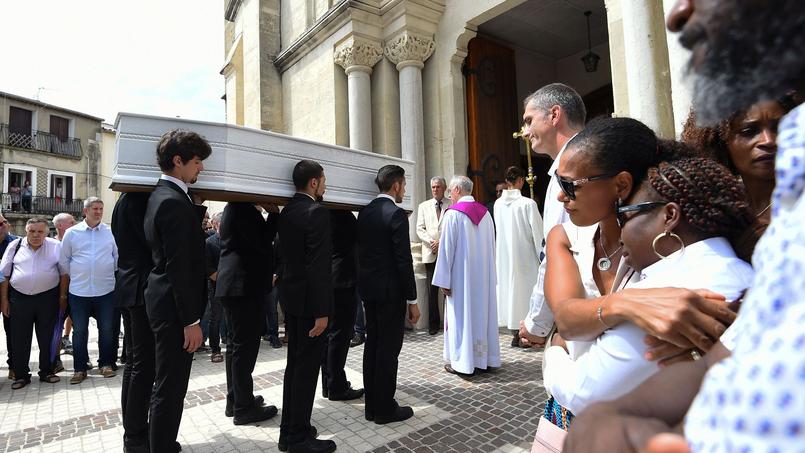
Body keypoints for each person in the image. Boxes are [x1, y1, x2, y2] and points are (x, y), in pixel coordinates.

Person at [563, 1, 805, 451]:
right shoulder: (712, 205)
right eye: (749, 129)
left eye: (780, 123)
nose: (768, 141)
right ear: (720, 136)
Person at [545, 153, 754, 429]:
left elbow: (582, 393)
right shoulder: (748, 272)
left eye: (626, 216)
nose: (621, 234)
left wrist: (556, 352)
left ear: (669, 216)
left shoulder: (666, 297)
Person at [143, 129, 211, 453]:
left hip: (164, 303)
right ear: (178, 161)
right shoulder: (172, 202)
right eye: (197, 162)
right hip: (174, 310)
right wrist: (191, 320)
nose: (201, 169)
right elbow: (179, 267)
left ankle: (164, 444)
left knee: (167, 385)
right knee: (170, 388)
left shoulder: (164, 196)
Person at [516, 83, 587, 348]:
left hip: (583, 307)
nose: (524, 132)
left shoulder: (568, 172)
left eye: (529, 120)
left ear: (554, 115)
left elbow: (556, 255)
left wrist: (537, 323)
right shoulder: (592, 157)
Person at [682, 98, 795, 259]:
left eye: (779, 128)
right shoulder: (716, 210)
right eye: (749, 131)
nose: (768, 141)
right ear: (721, 142)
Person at [277, 160, 335, 453]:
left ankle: (290, 430)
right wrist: (322, 312)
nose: (325, 186)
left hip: (292, 300)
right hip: (311, 306)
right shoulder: (316, 212)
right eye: (323, 180)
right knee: (306, 370)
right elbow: (318, 266)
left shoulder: (287, 211)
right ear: (313, 182)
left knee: (295, 368)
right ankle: (297, 437)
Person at [358, 165, 419, 425]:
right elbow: (403, 261)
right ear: (395, 186)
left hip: (369, 291)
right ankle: (384, 409)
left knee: (372, 345)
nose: (404, 190)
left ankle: (372, 405)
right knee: (388, 349)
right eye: (404, 185)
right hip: (391, 293)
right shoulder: (396, 215)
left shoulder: (364, 213)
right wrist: (413, 301)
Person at [216, 201, 279, 425]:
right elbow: (262, 241)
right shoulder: (242, 208)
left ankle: (236, 399)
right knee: (244, 349)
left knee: (235, 347)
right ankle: (243, 407)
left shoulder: (235, 207)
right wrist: (274, 214)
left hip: (235, 287)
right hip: (243, 288)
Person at [432, 176, 500, 376]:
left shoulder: (453, 214)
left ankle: (463, 362)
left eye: (451, 191)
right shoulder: (486, 214)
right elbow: (491, 247)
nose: (449, 196)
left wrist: (444, 280)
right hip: (483, 279)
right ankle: (484, 359)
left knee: (462, 319)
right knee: (482, 317)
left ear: (457, 190)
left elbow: (446, 250)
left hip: (461, 281)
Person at [0, 218, 68, 389]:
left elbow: (64, 274)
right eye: (32, 231)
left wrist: (62, 297)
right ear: (26, 231)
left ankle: (47, 371)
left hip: (47, 298)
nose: (36, 235)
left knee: (47, 337)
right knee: (19, 338)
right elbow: (4, 275)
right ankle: (21, 375)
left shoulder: (55, 246)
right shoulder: (15, 246)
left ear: (46, 232)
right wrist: (4, 300)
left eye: (40, 232)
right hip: (19, 298)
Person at [111, 191, 154, 453]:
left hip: (128, 284)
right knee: (143, 366)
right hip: (140, 286)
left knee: (135, 364)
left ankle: (134, 431)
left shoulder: (124, 199)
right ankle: (136, 436)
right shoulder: (139, 199)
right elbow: (152, 242)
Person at [60, 198, 119, 383]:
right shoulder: (72, 233)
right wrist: (80, 273)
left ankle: (106, 364)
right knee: (80, 332)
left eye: (101, 208)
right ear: (85, 211)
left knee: (108, 329)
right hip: (79, 291)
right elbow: (64, 261)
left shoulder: (110, 232)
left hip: (106, 290)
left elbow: (116, 258)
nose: (99, 212)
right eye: (95, 208)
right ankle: (79, 368)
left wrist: (103, 271)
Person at [494, 166, 543, 348]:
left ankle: (515, 333)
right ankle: (525, 335)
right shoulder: (528, 204)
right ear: (521, 180)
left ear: (507, 182)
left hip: (505, 257)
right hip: (525, 258)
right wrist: (543, 256)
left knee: (511, 293)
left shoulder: (498, 204)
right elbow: (538, 234)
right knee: (526, 295)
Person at [321, 209, 364, 402]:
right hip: (343, 280)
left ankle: (328, 384)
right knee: (340, 335)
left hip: (330, 278)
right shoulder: (341, 214)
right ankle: (337, 386)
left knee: (330, 336)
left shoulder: (322, 214)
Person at [415, 176, 450, 335]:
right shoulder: (424, 206)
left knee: (448, 289)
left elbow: (452, 227)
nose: (435, 189)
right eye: (433, 187)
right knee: (432, 290)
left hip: (447, 252)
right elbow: (419, 229)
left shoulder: (451, 204)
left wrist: (441, 242)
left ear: (444, 188)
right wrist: (432, 242)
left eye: (438, 187)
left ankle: (449, 322)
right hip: (430, 253)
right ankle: (433, 324)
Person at [52, 213, 76, 360]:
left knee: (79, 326)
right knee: (55, 327)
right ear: (60, 226)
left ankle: (82, 359)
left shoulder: (76, 243)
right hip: (55, 292)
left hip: (76, 290)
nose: (75, 224)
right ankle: (54, 360)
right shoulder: (50, 244)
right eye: (71, 222)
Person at [204, 212, 226, 362]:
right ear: (217, 224)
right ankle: (215, 349)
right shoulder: (210, 242)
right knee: (215, 318)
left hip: (231, 286)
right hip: (216, 286)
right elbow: (209, 268)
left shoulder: (233, 241)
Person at [0, 213, 18, 380]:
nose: (2, 226)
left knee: (11, 331)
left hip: (10, 294)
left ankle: (14, 366)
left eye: (4, 222)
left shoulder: (16, 243)